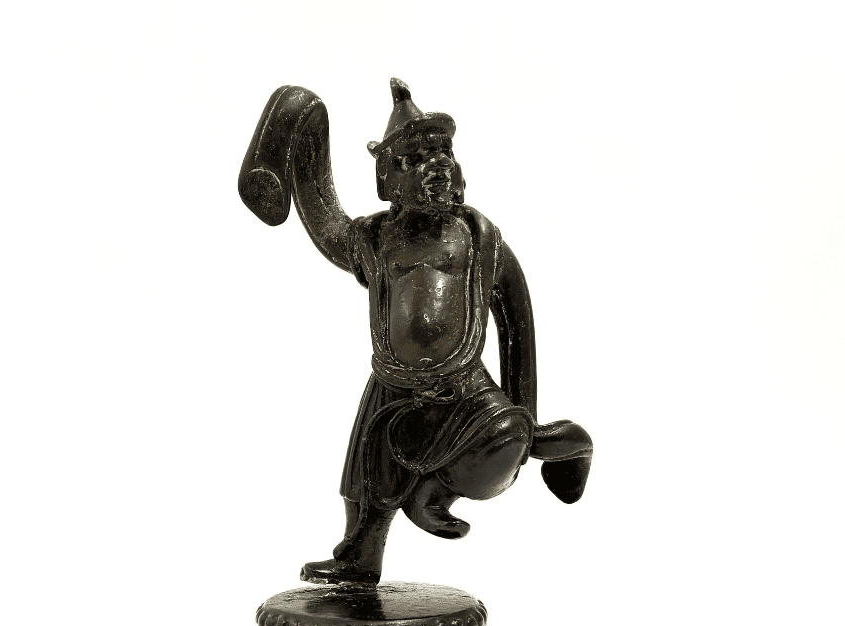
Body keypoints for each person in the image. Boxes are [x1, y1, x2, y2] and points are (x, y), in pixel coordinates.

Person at [239, 79, 592, 585]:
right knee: (367, 480)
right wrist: (301, 134)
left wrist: (524, 409)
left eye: (443, 152)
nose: (436, 165)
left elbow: (518, 322)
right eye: (415, 159)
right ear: (387, 179)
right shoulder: (375, 237)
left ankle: (553, 447)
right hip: (392, 384)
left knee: (508, 441)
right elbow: (324, 217)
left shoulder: (479, 239)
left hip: (465, 389)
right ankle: (360, 555)